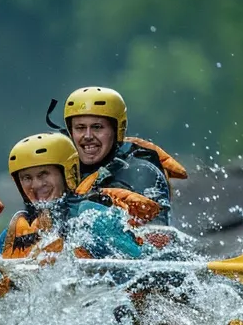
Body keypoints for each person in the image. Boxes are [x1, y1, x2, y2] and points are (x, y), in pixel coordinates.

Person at [0, 132, 143, 261]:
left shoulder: (92, 216)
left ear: (67, 174)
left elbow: (139, 263)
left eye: (43, 174)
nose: (36, 184)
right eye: (27, 178)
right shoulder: (14, 232)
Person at [62, 87, 189, 227]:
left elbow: (158, 239)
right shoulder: (58, 172)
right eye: (80, 128)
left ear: (117, 131)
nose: (87, 136)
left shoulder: (141, 172)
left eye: (97, 127)